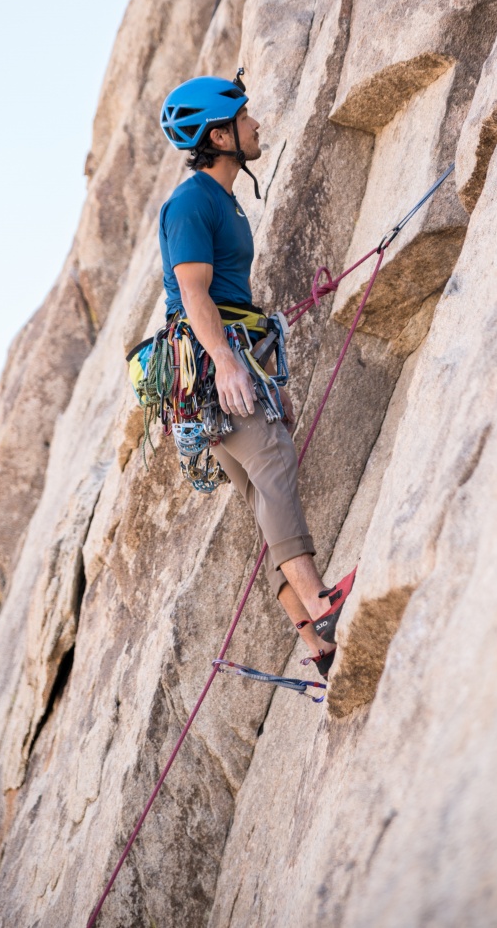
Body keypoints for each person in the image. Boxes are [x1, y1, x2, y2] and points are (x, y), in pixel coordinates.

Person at [158, 72, 356, 678]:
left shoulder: (222, 201)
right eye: (245, 117)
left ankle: (317, 645)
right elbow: (193, 292)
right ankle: (322, 607)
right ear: (219, 135)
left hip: (222, 357)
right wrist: (226, 365)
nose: (257, 123)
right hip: (209, 359)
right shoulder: (192, 200)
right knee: (272, 468)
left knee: (259, 489)